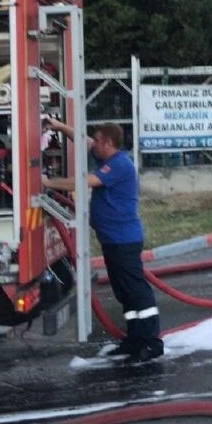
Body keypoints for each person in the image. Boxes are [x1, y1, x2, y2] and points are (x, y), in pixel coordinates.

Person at [42, 118, 164, 364]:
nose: (93, 144)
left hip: (124, 241)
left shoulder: (119, 164)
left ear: (107, 143)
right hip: (112, 240)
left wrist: (46, 183)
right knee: (124, 293)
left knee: (136, 291)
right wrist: (59, 126)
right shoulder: (108, 158)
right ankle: (134, 339)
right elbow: (84, 141)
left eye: (98, 141)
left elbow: (86, 182)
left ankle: (151, 342)